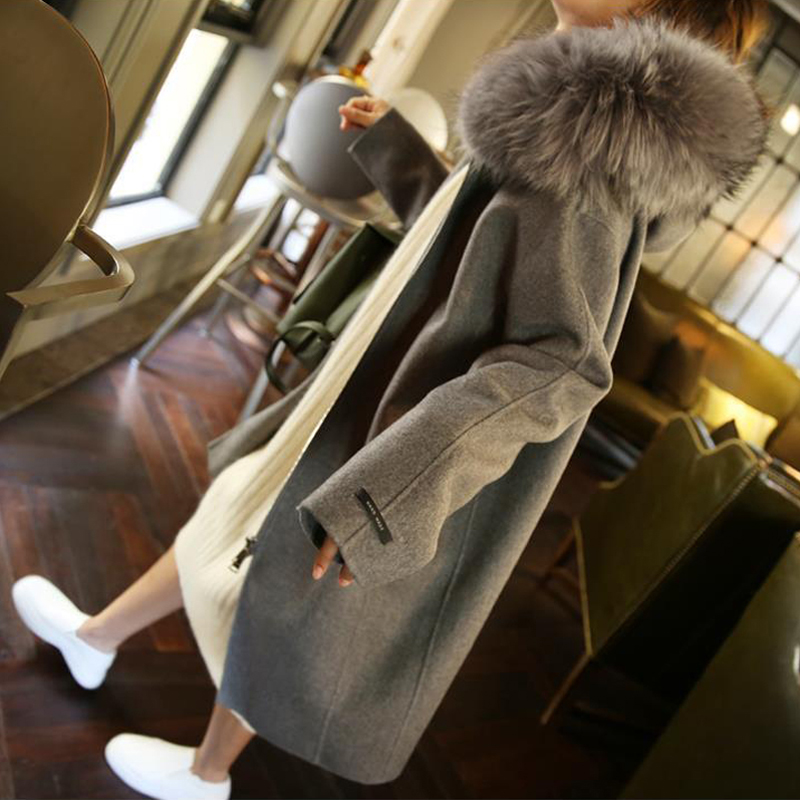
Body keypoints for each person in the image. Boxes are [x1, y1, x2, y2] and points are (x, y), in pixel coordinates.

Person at [10, 1, 773, 797]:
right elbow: (479, 252)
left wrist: (398, 487)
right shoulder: (567, 118)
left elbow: (561, 363)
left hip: (407, 433)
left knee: (292, 586)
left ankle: (206, 773)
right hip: (372, 398)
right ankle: (99, 637)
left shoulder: (590, 151)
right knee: (238, 507)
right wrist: (404, 157)